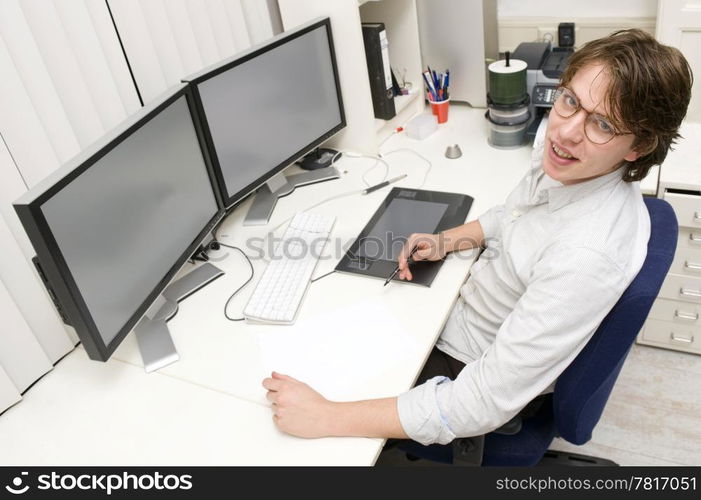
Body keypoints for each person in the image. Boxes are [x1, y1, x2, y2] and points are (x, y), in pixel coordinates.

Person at [262, 29, 693, 462]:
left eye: (602, 124)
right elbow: (514, 214)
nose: (567, 132)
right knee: (318, 329)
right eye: (570, 101)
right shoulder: (571, 161)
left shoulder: (585, 255)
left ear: (638, 147)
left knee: (286, 402)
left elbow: (479, 403)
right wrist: (447, 240)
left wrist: (328, 417)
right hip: (459, 318)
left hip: (468, 367)